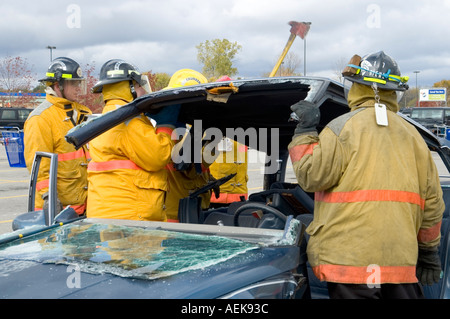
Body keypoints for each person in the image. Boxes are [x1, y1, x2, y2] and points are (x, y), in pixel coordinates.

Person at [288, 51, 444, 299]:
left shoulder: (341, 128)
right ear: (394, 91)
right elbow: (433, 204)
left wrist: (305, 132)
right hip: (399, 266)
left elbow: (311, 176)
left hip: (349, 267)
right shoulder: (415, 137)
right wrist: (429, 252)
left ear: (357, 87)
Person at [86, 59, 177, 221]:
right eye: (140, 85)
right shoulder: (129, 121)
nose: (144, 90)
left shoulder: (108, 116)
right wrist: (166, 126)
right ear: (131, 88)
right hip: (129, 217)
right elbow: (157, 156)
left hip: (111, 213)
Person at [24, 57, 92, 215]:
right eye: (73, 83)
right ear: (57, 85)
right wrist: (49, 198)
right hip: (57, 210)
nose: (77, 88)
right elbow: (40, 167)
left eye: (79, 83)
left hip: (86, 206)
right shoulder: (41, 118)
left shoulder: (84, 113)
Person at [159, 69, 217, 221]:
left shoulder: (187, 134)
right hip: (177, 217)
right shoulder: (169, 137)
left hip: (192, 211)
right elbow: (187, 170)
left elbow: (197, 172)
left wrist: (210, 179)